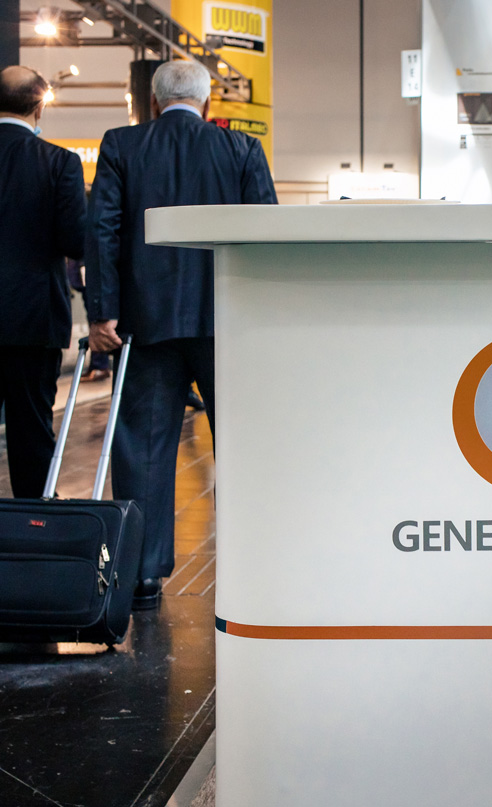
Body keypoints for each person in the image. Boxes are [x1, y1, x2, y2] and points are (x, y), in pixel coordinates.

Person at [86, 60, 277, 609]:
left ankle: (143, 576)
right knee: (241, 443)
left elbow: (102, 231)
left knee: (144, 448)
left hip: (146, 324)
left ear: (152, 102)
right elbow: (267, 233)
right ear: (208, 104)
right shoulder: (241, 149)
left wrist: (102, 313)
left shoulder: (121, 146)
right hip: (227, 324)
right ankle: (252, 562)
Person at [0, 66, 86, 498]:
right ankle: (32, 527)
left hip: (30, 320)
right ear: (39, 107)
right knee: (31, 433)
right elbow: (75, 240)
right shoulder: (59, 162)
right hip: (33, 320)